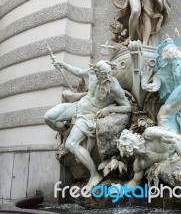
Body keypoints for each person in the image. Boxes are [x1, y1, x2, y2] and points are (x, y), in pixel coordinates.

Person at [44, 60, 131, 190]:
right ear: (97, 72)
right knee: (48, 117)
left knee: (71, 144)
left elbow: (127, 107)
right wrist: (63, 65)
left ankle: (94, 174)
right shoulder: (91, 73)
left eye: (109, 73)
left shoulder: (113, 86)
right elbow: (78, 72)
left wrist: (109, 109)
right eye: (104, 73)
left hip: (88, 117)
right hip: (77, 106)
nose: (107, 76)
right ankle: (66, 132)